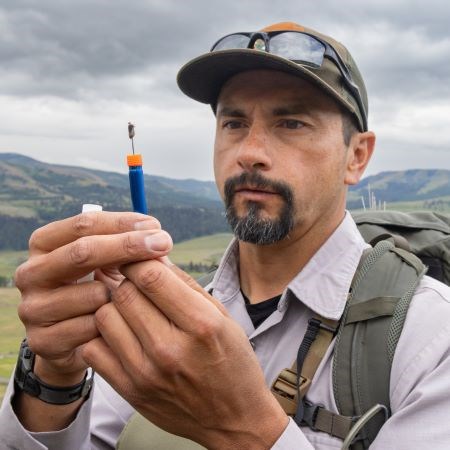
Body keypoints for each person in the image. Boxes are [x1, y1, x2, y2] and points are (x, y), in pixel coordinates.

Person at [1, 21, 449, 450]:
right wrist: (54, 376)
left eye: (291, 123)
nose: (250, 153)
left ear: (356, 156)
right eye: (233, 123)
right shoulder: (161, 318)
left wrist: (242, 429)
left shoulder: (430, 341)